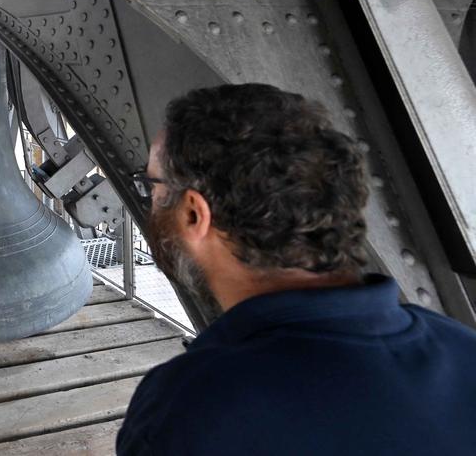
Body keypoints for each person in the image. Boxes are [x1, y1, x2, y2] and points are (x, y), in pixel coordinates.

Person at [116, 83, 476, 455]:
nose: (150, 203)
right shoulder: (464, 349)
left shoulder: (190, 409)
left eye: (151, 187)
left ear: (194, 213)